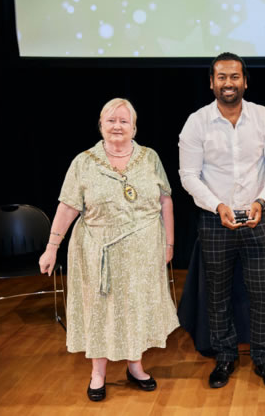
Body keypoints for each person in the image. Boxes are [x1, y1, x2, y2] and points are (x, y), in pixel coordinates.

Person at [39, 98, 179, 401]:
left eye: (124, 121)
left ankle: (135, 366)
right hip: (95, 249)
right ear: (101, 125)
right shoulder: (84, 161)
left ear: (134, 127)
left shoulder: (150, 157)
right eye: (111, 120)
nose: (117, 126)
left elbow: (165, 200)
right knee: (99, 310)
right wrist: (52, 247)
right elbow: (67, 206)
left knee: (135, 307)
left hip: (143, 249)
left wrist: (169, 242)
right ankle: (98, 373)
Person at [179, 52, 265, 389]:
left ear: (245, 81)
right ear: (211, 82)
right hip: (215, 220)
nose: (229, 83)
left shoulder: (264, 117)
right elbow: (188, 175)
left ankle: (263, 360)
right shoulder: (196, 122)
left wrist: (261, 200)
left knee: (264, 295)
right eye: (222, 77)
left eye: (235, 77)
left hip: (258, 217)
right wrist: (217, 205)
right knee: (217, 295)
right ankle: (225, 357)